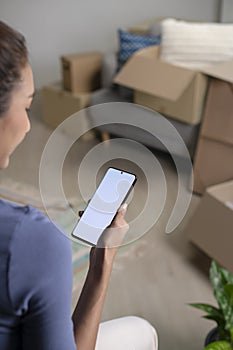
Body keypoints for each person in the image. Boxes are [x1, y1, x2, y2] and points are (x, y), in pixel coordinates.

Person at [0, 20, 158, 350]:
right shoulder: (32, 243)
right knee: (142, 331)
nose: (29, 125)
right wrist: (103, 261)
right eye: (27, 106)